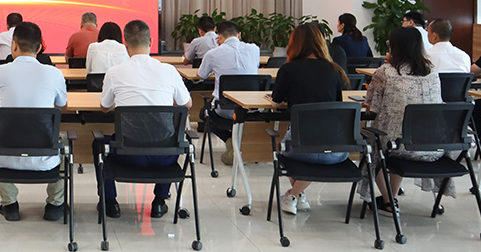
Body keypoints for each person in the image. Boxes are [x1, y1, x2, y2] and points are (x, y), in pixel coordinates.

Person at [97, 20, 192, 219]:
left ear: (125, 44)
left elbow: (104, 107)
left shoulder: (114, 73)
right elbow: (187, 104)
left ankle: (110, 202)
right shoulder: (169, 70)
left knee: (98, 144)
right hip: (164, 157)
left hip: (127, 155)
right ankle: (159, 202)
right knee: (171, 139)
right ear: (150, 41)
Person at [0, 21, 68, 222]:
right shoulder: (55, 73)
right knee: (66, 141)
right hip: (46, 158)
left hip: (5, 157)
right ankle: (55, 205)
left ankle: (9, 205)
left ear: (13, 45)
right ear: (39, 47)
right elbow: (62, 105)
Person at [359, 26, 444, 214]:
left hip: (397, 147)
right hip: (432, 145)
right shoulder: (432, 71)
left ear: (394, 47)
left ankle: (388, 201)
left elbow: (371, 107)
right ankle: (392, 196)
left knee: (375, 145)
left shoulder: (385, 72)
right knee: (393, 135)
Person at [269, 24, 349, 215]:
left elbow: (275, 102)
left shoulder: (288, 69)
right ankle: (298, 196)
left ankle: (293, 194)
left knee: (284, 148)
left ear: (294, 44)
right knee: (314, 150)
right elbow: (335, 105)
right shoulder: (335, 70)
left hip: (300, 149)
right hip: (337, 150)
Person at [197, 20, 260, 165]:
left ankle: (230, 140)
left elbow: (201, 75)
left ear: (218, 37)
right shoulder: (254, 49)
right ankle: (239, 142)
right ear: (239, 35)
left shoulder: (213, 54)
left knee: (203, 114)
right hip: (250, 108)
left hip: (224, 109)